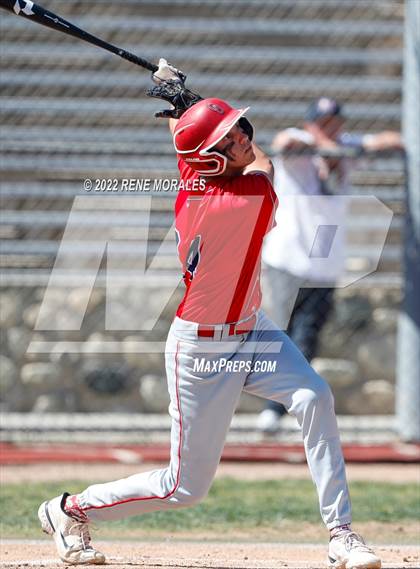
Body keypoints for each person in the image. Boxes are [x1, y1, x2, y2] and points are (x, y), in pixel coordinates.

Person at [38, 62, 381, 569]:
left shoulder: (197, 174)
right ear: (214, 161)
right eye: (231, 138)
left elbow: (190, 147)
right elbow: (262, 164)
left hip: (251, 330)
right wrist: (194, 109)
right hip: (202, 352)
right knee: (184, 488)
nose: (243, 138)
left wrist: (185, 109)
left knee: (314, 396)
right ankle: (69, 509)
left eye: (240, 130)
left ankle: (342, 534)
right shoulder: (243, 200)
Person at [258, 97, 403, 433]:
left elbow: (390, 140)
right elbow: (284, 142)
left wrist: (344, 147)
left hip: (324, 263)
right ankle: (270, 404)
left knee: (307, 336)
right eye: (323, 123)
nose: (331, 130)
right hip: (287, 258)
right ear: (311, 124)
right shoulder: (302, 143)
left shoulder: (345, 148)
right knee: (279, 332)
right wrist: (323, 142)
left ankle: (286, 408)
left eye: (335, 124)